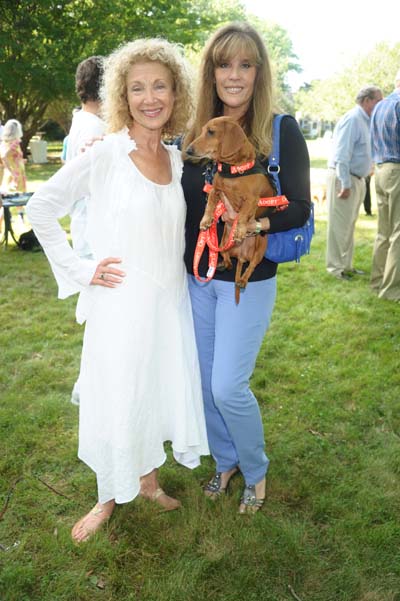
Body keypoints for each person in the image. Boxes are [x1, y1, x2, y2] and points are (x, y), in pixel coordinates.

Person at [27, 38, 209, 543]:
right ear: (121, 97)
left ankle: (147, 481)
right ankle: (107, 495)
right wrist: (80, 270)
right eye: (136, 88)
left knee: (152, 388)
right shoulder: (106, 153)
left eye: (160, 87)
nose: (150, 97)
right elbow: (41, 207)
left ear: (176, 95)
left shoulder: (177, 161)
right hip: (121, 302)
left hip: (167, 303)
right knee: (117, 396)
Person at [181, 22, 311, 513]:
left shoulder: (280, 130)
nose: (234, 75)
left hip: (248, 279)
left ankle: (255, 470)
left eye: (246, 64)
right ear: (211, 71)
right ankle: (225, 460)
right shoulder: (197, 135)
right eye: (224, 63)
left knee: (227, 385)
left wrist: (253, 223)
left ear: (259, 72)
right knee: (203, 380)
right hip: (198, 280)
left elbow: (299, 207)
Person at [66, 58, 106, 405]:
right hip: (95, 235)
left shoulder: (80, 123)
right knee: (103, 323)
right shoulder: (94, 129)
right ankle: (93, 388)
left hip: (85, 233)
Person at [325, 86, 383, 280]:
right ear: (367, 100)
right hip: (345, 178)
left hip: (357, 179)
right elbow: (342, 155)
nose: (380, 105)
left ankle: (346, 265)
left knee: (349, 225)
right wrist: (345, 183)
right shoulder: (353, 119)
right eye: (378, 100)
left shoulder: (366, 121)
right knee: (339, 227)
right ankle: (335, 268)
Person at [369, 70, 400, 301]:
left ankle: (377, 281)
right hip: (397, 170)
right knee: (398, 233)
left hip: (380, 169)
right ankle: (391, 290)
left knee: (384, 232)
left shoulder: (380, 105)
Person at [0, 119, 27, 194]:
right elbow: (4, 156)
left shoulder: (4, 142)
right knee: (18, 195)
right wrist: (11, 171)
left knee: (8, 195)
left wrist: (21, 160)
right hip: (15, 172)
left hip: (10, 172)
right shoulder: (15, 143)